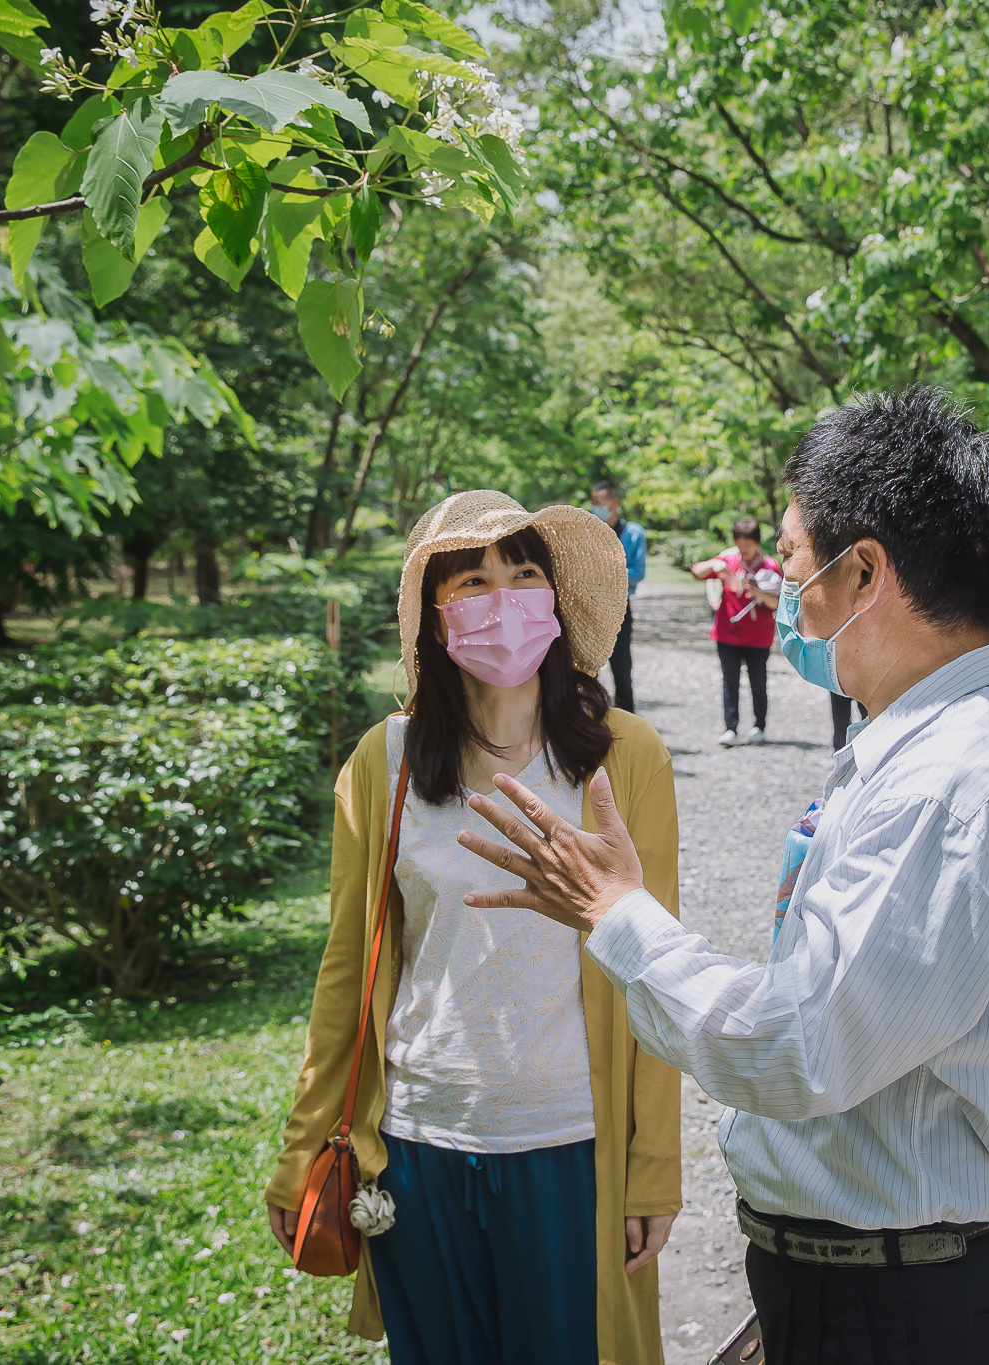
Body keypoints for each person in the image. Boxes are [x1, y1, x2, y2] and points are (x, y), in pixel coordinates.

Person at [456, 389, 989, 1365]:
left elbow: (798, 1047)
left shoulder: (941, 789)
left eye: (795, 568)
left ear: (864, 575)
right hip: (890, 1285)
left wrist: (617, 916)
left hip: (913, 1310)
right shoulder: (934, 736)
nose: (784, 595)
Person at [266, 490, 683, 1365]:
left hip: (569, 1143)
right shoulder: (384, 761)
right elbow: (348, 969)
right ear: (433, 616)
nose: (503, 596)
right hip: (419, 1147)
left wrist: (653, 1170)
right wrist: (305, 1142)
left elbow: (658, 975)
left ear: (556, 600)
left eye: (524, 573)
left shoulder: (625, 756)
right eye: (472, 579)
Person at [691, 515, 781, 747]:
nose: (744, 551)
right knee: (729, 681)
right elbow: (697, 571)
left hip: (759, 637)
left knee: (758, 682)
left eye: (748, 546)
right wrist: (714, 565)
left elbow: (779, 603)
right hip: (727, 634)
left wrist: (759, 592)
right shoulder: (728, 560)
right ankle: (730, 728)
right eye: (740, 545)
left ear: (757, 542)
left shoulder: (771, 566)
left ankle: (759, 726)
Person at [590, 479, 646, 712]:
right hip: (590, 606)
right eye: (593, 502)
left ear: (615, 502)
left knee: (622, 670)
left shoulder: (633, 533)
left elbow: (638, 572)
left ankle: (627, 721)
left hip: (620, 607)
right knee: (588, 670)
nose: (597, 507)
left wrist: (609, 572)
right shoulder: (587, 530)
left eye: (601, 502)